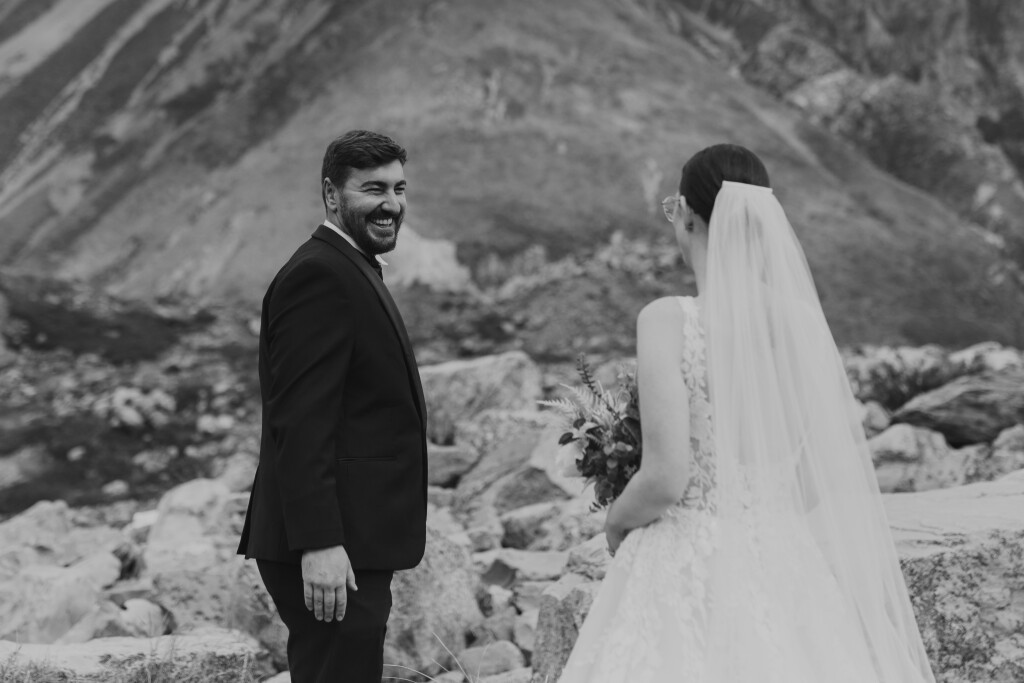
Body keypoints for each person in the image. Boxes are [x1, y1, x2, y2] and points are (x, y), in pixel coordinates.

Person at [557, 144, 937, 682]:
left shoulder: (668, 320)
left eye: (673, 209)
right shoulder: (804, 325)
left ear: (687, 214)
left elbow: (666, 479)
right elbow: (814, 480)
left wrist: (617, 521)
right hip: (785, 556)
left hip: (687, 556)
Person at [237, 130, 428, 683]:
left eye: (398, 188)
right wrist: (320, 543)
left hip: (354, 538)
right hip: (329, 545)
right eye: (373, 189)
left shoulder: (349, 265)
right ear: (330, 194)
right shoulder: (320, 275)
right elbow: (300, 422)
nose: (391, 204)